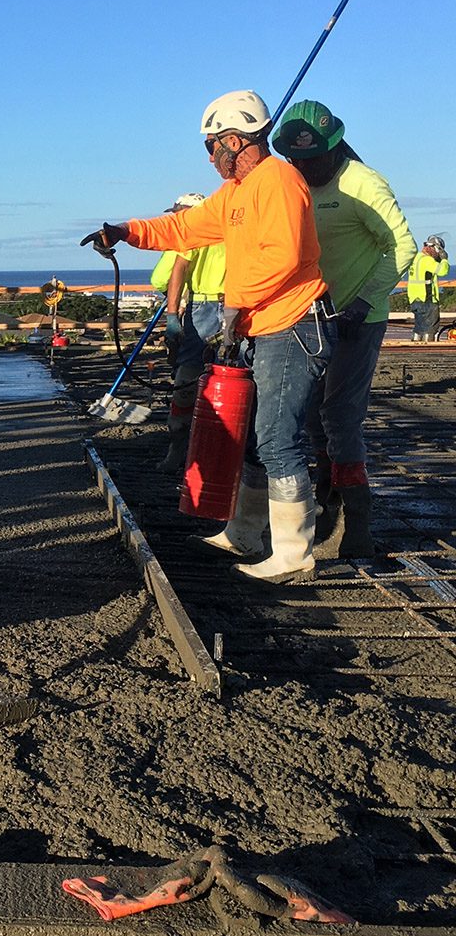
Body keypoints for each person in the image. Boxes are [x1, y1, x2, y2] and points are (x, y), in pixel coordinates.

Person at [83, 90, 334, 583]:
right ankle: (243, 532)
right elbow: (186, 228)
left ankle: (294, 553)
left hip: (292, 325)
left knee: (278, 439)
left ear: (236, 140)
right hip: (262, 326)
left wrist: (234, 302)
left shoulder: (278, 182)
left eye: (211, 145)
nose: (210, 155)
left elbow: (283, 256)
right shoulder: (238, 192)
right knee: (256, 442)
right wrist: (126, 230)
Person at [272, 100, 416, 559]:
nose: (305, 168)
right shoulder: (294, 183)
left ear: (335, 147)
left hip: (359, 317)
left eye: (314, 159)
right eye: (296, 160)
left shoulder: (363, 183)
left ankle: (359, 522)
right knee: (310, 412)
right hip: (312, 315)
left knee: (340, 416)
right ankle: (327, 495)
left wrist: (364, 300)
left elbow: (402, 246)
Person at [150, 194, 226, 475]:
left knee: (188, 379)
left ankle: (181, 452)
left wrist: (173, 313)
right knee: (225, 379)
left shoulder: (194, 229)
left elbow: (169, 274)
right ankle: (210, 455)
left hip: (206, 306)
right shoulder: (223, 225)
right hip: (228, 304)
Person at [406, 235, 449, 342]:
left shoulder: (416, 258)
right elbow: (442, 271)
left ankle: (415, 350)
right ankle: (428, 350)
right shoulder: (427, 261)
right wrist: (444, 259)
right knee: (430, 329)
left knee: (419, 327)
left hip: (415, 298)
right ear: (435, 248)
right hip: (427, 298)